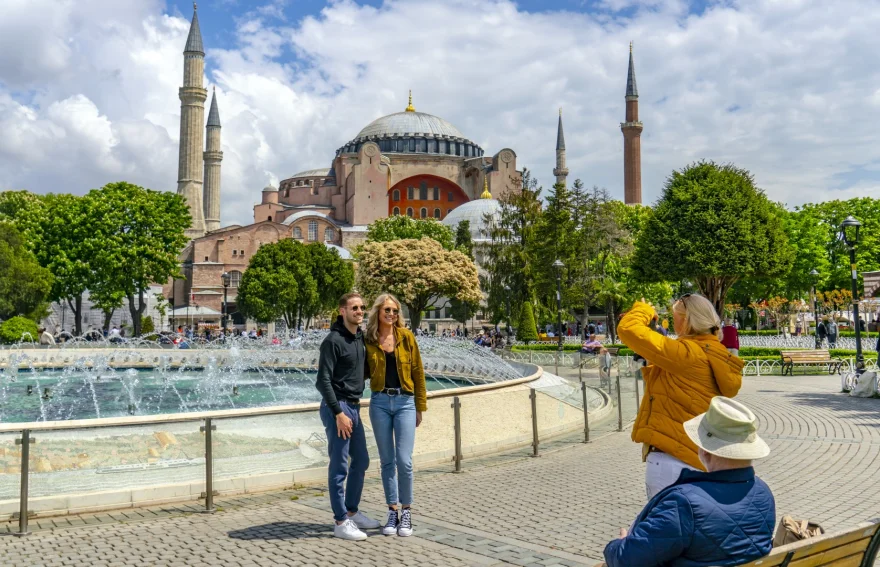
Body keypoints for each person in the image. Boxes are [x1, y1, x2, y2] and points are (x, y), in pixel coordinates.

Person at [603, 396, 775, 567]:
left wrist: (617, 545)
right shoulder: (763, 493)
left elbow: (628, 560)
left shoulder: (684, 504)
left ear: (705, 452)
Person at [618, 295, 744, 499]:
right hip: (698, 456)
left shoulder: (686, 354)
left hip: (672, 461)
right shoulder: (713, 352)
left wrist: (644, 309)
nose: (672, 321)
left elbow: (628, 329)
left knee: (666, 528)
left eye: (674, 316)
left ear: (686, 321)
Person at [315, 292, 380, 541]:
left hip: (354, 406)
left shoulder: (359, 338)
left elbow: (359, 371)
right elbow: (322, 381)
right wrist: (338, 413)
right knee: (340, 466)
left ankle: (351, 511)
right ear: (342, 310)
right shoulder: (332, 341)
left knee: (361, 460)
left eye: (362, 307)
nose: (360, 311)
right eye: (354, 308)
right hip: (338, 408)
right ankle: (340, 521)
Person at [364, 293, 427, 537]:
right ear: (378, 312)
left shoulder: (406, 337)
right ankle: (392, 511)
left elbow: (418, 373)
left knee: (405, 460)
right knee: (387, 460)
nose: (391, 314)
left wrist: (420, 407)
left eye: (394, 311)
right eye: (387, 310)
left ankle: (407, 511)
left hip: (405, 402)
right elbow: (361, 370)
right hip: (379, 401)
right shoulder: (369, 339)